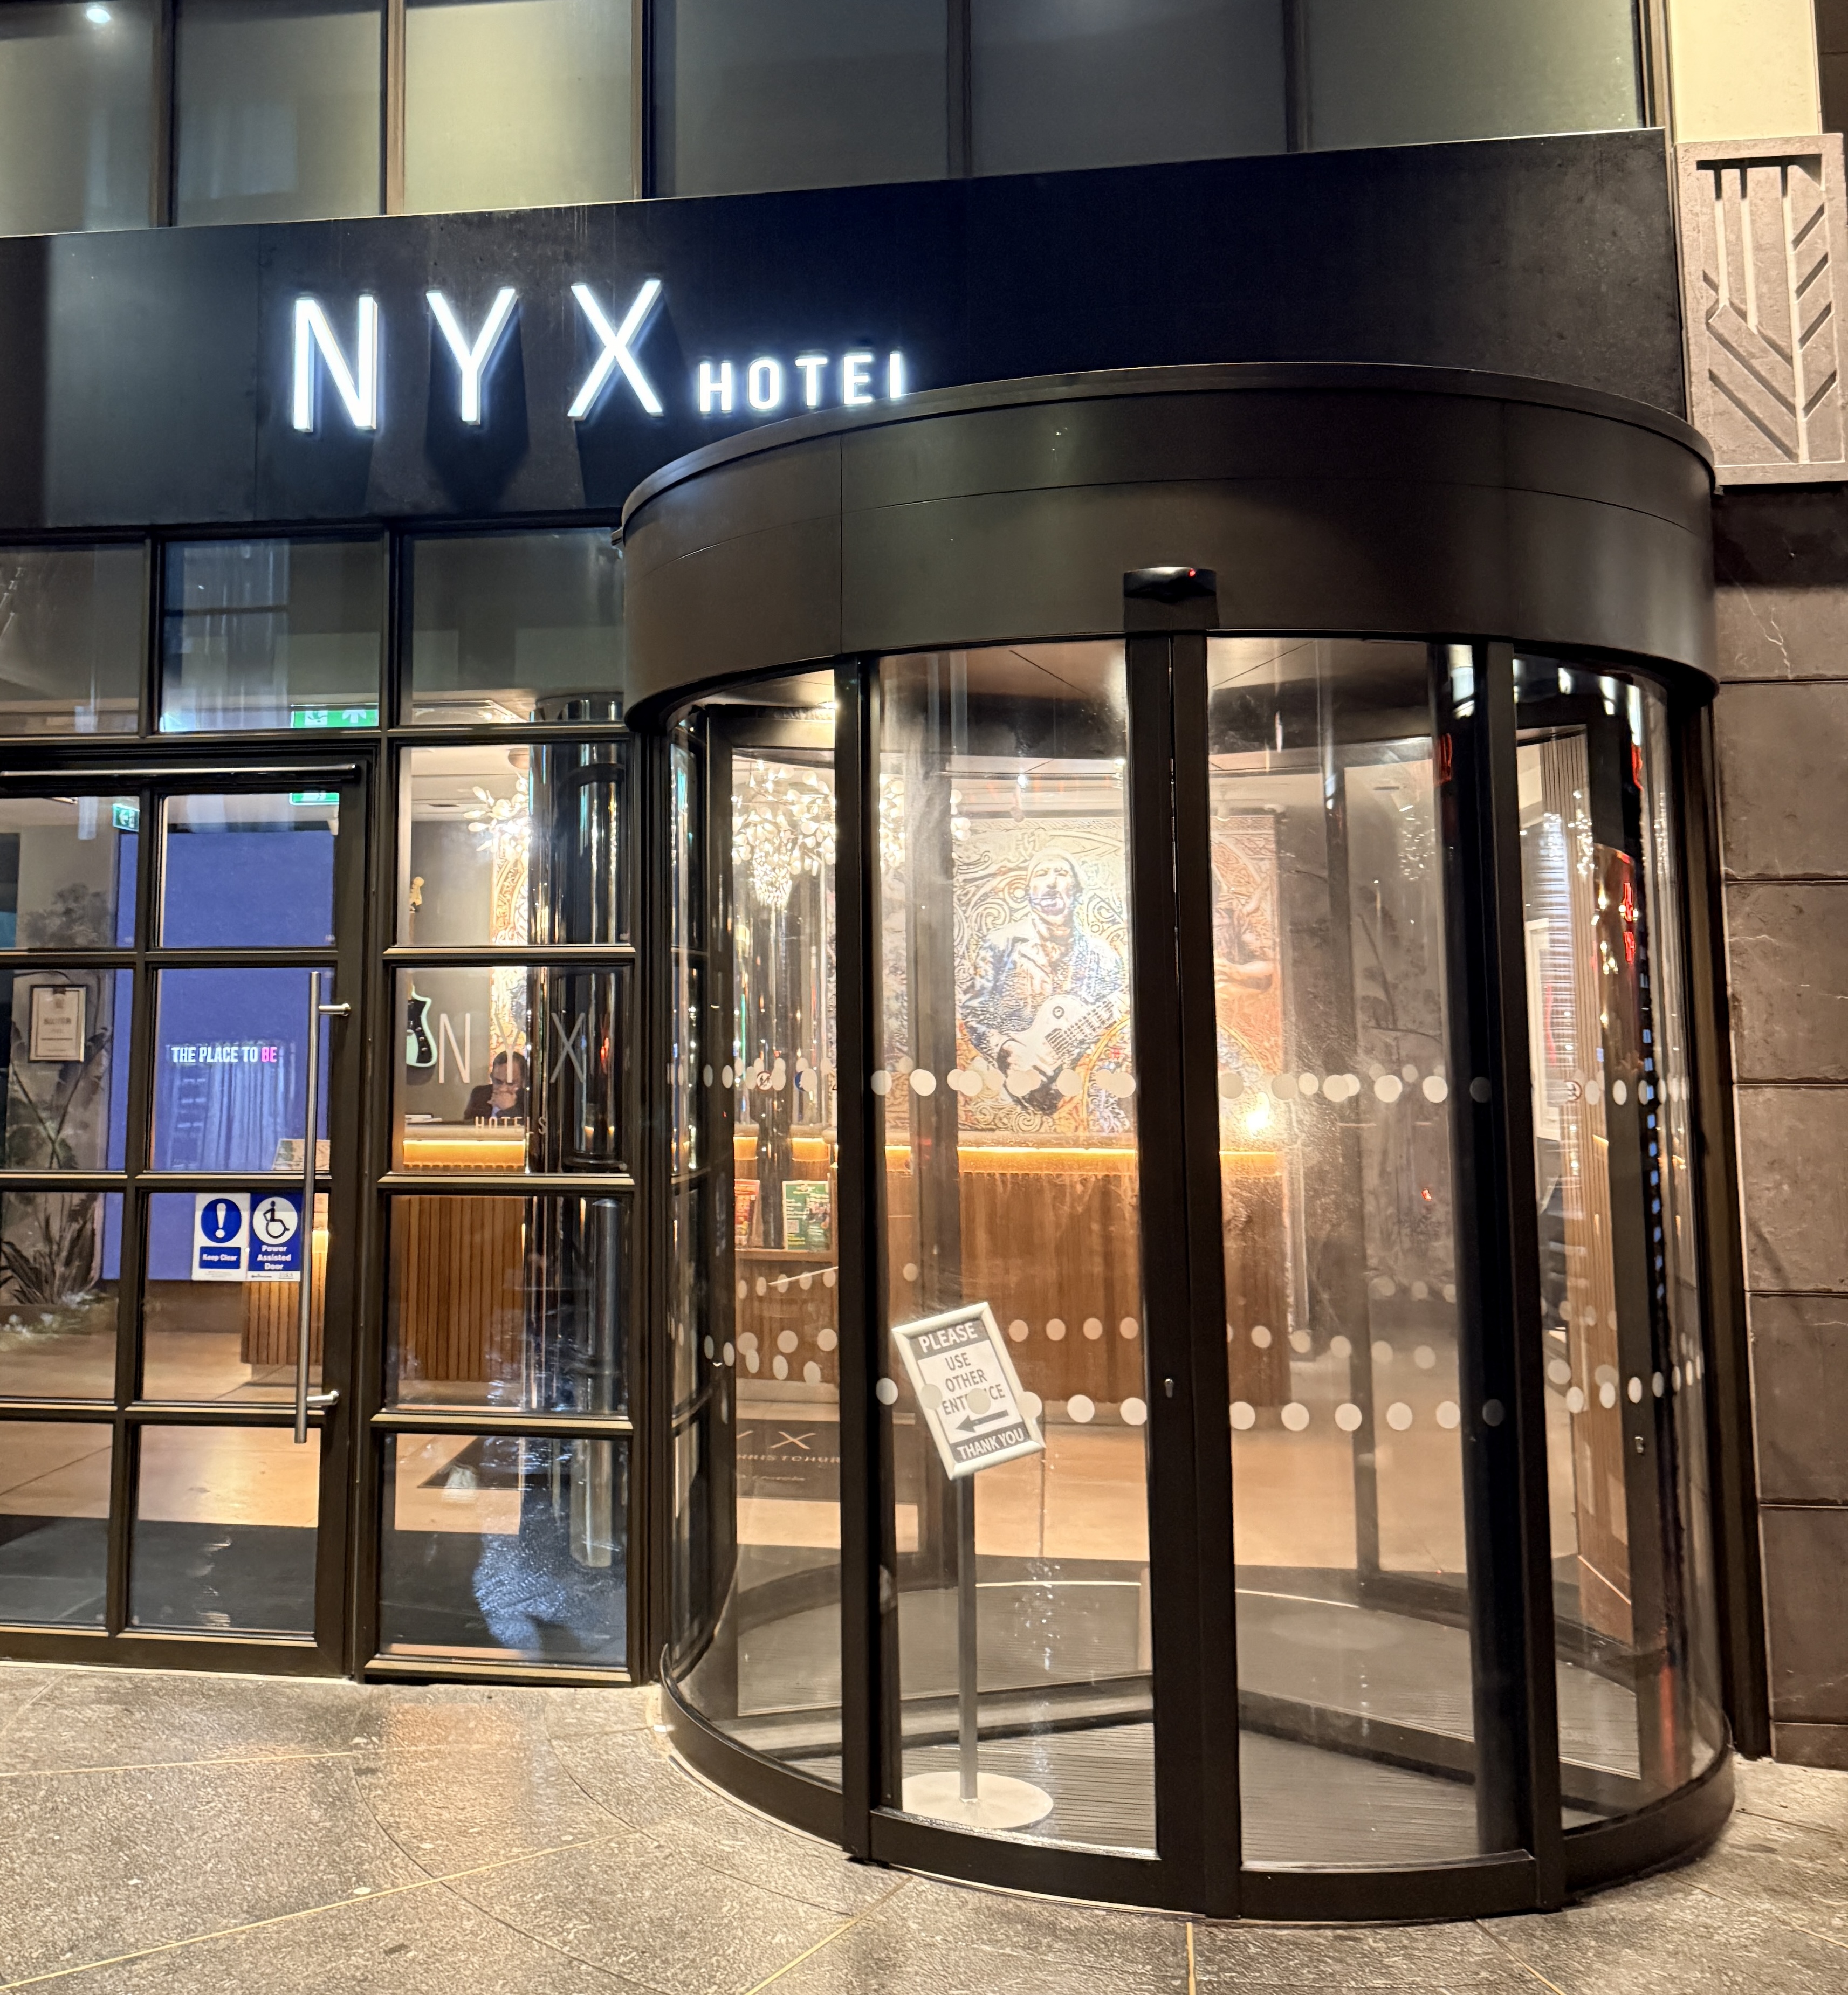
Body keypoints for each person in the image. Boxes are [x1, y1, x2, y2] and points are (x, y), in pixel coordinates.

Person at [963, 848, 1124, 1115]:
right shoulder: (1001, 943)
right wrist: (1005, 1049)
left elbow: (1117, 1033)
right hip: (1010, 1094)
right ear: (1029, 892)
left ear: (1077, 891)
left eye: (1061, 873)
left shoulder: (1105, 956)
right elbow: (974, 1014)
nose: (1051, 882)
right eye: (1041, 874)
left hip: (1081, 1095)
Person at [464, 1050, 527, 1123]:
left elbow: (526, 1128)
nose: (503, 1089)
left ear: (523, 1081)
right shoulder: (480, 1095)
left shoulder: (529, 1101)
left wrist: (509, 1110)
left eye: (511, 1083)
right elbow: (467, 1127)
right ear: (492, 1077)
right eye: (498, 1082)